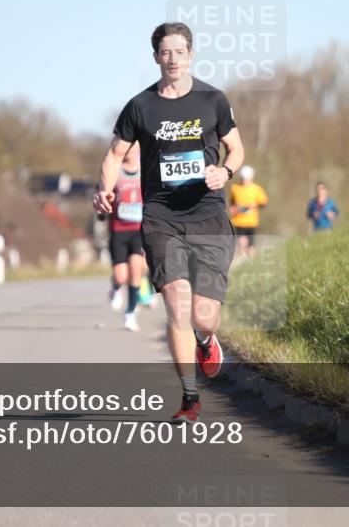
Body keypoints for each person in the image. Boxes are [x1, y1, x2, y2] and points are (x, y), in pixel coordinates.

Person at [94, 22, 244, 424]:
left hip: (208, 216)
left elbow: (236, 148)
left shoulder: (213, 100)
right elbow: (114, 155)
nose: (173, 58)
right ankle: (190, 397)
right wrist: (104, 188)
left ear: (191, 54)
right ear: (156, 57)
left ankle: (206, 339)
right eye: (166, 52)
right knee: (177, 303)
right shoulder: (140, 106)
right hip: (161, 217)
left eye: (180, 51)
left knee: (203, 316)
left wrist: (225, 172)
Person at [107, 144, 146, 331]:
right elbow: (102, 192)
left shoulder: (145, 169)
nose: (130, 151)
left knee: (136, 270)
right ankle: (115, 287)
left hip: (139, 230)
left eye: (134, 148)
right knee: (121, 275)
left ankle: (130, 313)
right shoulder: (116, 171)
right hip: (119, 230)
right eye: (128, 148)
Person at [228, 165, 268, 260]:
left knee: (250, 246)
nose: (244, 180)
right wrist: (233, 209)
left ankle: (251, 261)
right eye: (243, 178)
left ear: (251, 178)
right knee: (241, 241)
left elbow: (263, 203)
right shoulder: (235, 188)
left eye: (246, 178)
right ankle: (243, 258)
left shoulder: (256, 189)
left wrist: (254, 205)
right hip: (238, 220)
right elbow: (232, 203)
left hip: (251, 221)